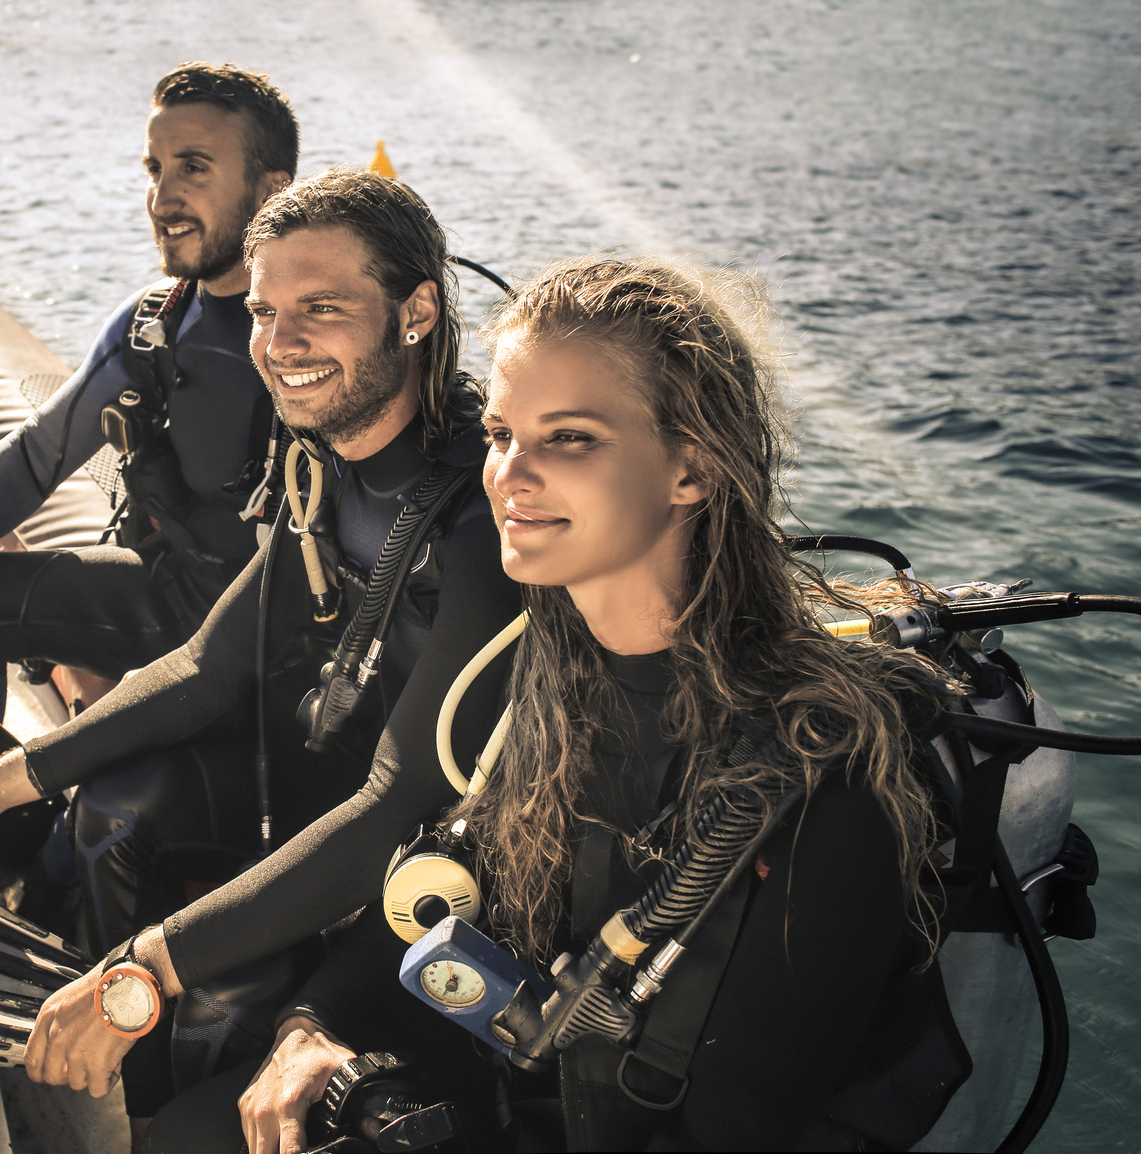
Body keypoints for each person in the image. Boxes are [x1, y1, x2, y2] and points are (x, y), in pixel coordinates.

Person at [151, 256, 965, 1153]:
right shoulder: (549, 674)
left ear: (689, 469)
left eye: (569, 438)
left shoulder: (818, 791)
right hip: (526, 1093)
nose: (510, 474)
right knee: (189, 1132)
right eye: (500, 433)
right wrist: (311, 1028)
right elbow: (448, 900)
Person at [0, 167, 522, 1139]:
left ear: (416, 311)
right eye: (264, 311)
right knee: (115, 810)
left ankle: (181, 1068)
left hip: (423, 874)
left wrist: (148, 965)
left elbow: (395, 805)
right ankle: (125, 1081)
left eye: (322, 308)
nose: (279, 343)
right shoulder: (320, 462)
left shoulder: (477, 527)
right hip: (308, 784)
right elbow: (209, 666)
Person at [0, 62, 296, 765]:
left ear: (272, 193)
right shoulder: (156, 321)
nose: (163, 197)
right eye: (154, 168)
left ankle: (5, 816)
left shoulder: (308, 340)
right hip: (166, 593)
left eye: (194, 168)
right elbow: (36, 455)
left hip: (264, 639)